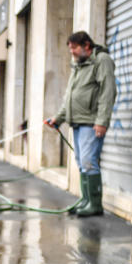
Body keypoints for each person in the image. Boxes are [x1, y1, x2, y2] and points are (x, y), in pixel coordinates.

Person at [45, 31, 116, 217]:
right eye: (70, 49)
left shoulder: (101, 61)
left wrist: (102, 121)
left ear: (87, 46)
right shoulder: (79, 65)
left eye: (74, 48)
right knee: (81, 162)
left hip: (91, 122)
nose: (72, 52)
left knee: (88, 162)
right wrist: (58, 119)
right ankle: (86, 201)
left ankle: (95, 204)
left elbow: (108, 92)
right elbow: (70, 97)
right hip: (77, 122)